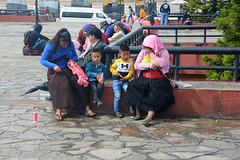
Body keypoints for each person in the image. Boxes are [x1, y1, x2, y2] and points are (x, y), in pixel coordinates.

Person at [40, 28, 96, 120]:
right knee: (62, 84)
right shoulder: (50, 46)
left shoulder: (70, 45)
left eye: (67, 44)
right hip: (55, 71)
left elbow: (74, 56)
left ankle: (87, 109)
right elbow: (43, 60)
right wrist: (53, 66)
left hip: (69, 69)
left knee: (81, 83)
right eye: (63, 44)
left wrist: (72, 60)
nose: (65, 46)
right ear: (59, 41)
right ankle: (58, 111)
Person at [124, 35, 175, 127]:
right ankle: (138, 111)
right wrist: (149, 65)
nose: (146, 49)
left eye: (148, 47)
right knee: (133, 86)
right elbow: (136, 65)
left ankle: (149, 116)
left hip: (159, 78)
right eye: (145, 47)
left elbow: (162, 63)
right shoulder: (143, 52)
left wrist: (151, 54)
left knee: (155, 92)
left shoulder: (163, 51)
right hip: (145, 77)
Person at [110, 43, 134, 118]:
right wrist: (115, 72)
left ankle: (131, 106)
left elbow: (131, 72)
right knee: (117, 95)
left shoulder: (131, 62)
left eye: (127, 54)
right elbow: (111, 68)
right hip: (117, 81)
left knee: (128, 91)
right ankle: (116, 110)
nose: (126, 56)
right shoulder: (117, 61)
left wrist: (126, 77)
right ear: (120, 54)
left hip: (125, 81)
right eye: (124, 54)